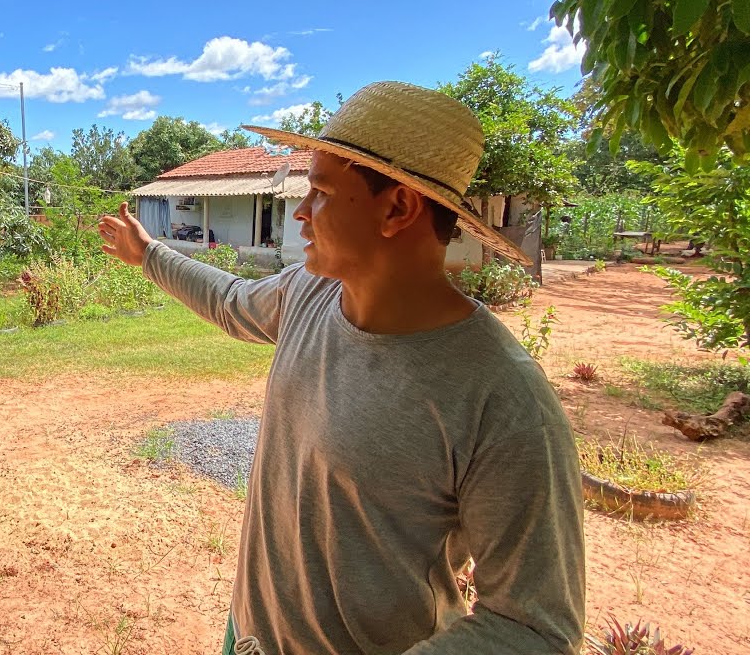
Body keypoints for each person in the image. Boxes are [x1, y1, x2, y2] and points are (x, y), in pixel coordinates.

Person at [97, 82, 584, 655]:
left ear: (397, 207)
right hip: (251, 633)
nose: (300, 212)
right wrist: (149, 254)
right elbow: (230, 301)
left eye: (322, 191)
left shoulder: (501, 397)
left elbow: (536, 627)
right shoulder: (312, 293)